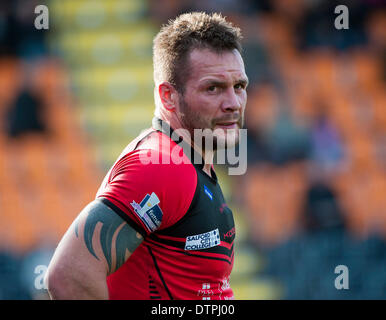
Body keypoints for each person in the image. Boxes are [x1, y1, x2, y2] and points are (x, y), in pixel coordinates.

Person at [45, 12, 248, 300]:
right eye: (212, 88)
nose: (233, 103)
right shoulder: (161, 166)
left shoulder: (187, 158)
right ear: (168, 96)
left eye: (239, 86)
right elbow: (68, 275)